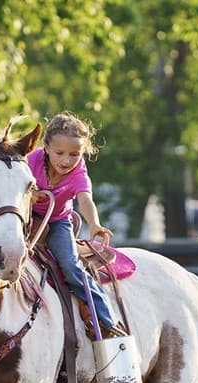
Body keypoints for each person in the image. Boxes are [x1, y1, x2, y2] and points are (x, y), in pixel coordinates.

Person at [28, 112, 125, 338]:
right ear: (47, 148)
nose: (66, 160)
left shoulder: (79, 173)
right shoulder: (31, 160)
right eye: (59, 153)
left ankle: (106, 317)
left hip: (57, 221)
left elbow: (85, 200)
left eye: (74, 154)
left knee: (71, 267)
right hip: (27, 216)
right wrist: (29, 193)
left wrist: (95, 224)